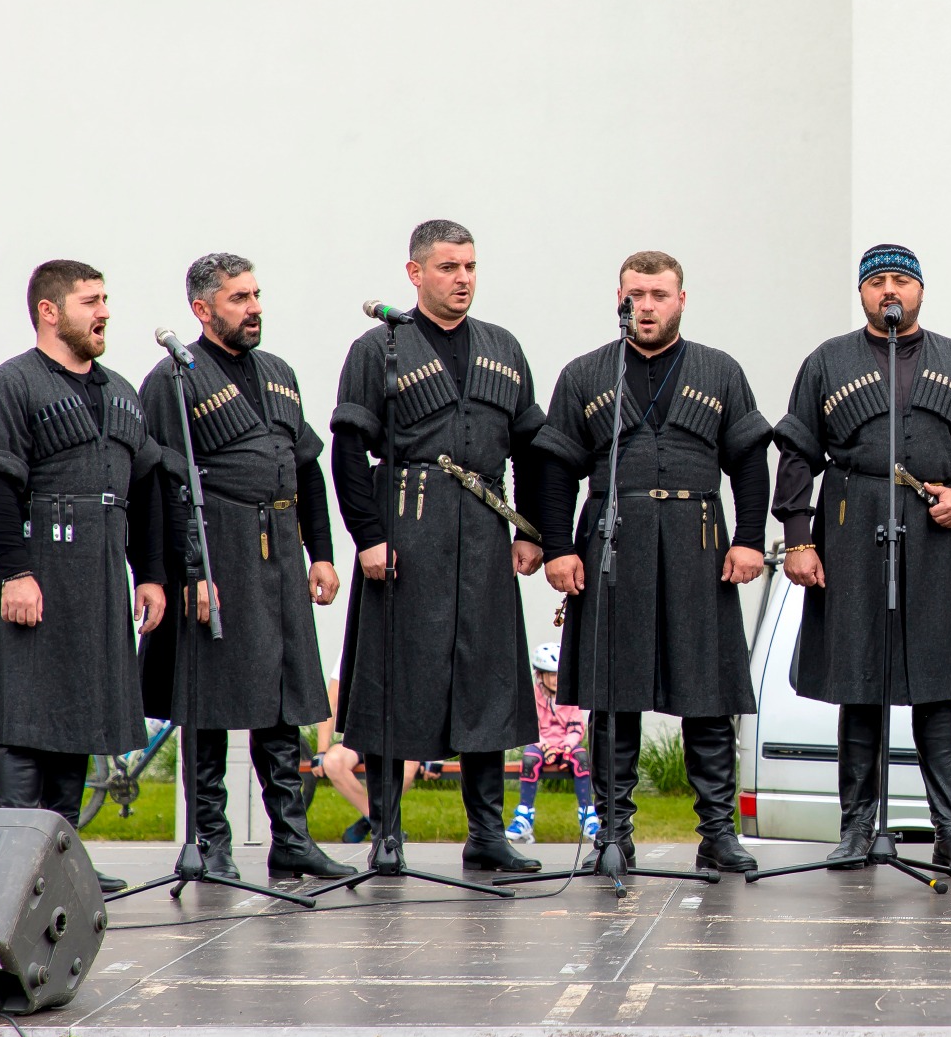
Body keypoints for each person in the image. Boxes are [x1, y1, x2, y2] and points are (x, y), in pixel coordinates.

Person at [774, 244, 951, 873]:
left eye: (901, 281)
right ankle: (857, 829)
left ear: (920, 291)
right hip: (851, 529)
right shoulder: (826, 361)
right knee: (860, 684)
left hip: (939, 532)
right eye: (877, 281)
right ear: (862, 293)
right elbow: (797, 453)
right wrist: (799, 538)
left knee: (937, 688)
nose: (890, 290)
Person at [539, 250, 772, 873]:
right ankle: (613, 836)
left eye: (658, 295)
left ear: (681, 300)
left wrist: (750, 538)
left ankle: (718, 834)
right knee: (614, 697)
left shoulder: (720, 371)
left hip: (700, 546)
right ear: (619, 300)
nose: (645, 306)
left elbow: (750, 461)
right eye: (635, 295)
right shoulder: (585, 374)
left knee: (708, 695)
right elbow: (555, 470)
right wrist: (559, 548)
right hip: (613, 545)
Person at [330, 219, 546, 874]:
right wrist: (369, 536)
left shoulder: (503, 347)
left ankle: (487, 834)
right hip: (406, 528)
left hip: (483, 529)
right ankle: (387, 833)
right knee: (394, 679)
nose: (462, 279)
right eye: (449, 267)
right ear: (415, 273)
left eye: (470, 266)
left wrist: (530, 530)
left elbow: (532, 448)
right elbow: (347, 451)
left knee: (487, 679)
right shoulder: (379, 348)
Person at [137, 254, 353, 881]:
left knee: (282, 702)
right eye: (238, 298)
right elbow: (162, 485)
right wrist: (189, 572)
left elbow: (306, 468)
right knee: (208, 704)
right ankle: (211, 844)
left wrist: (321, 552)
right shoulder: (173, 379)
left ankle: (292, 840)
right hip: (217, 551)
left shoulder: (279, 372)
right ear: (202, 309)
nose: (254, 307)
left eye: (256, 294)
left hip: (279, 551)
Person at [0, 260, 168, 894]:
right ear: (49, 311)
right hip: (37, 565)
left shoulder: (121, 391)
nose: (104, 312)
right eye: (90, 301)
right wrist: (17, 574)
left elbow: (146, 490)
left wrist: (150, 574)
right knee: (25, 717)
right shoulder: (9, 385)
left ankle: (62, 861)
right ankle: (16, 867)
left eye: (105, 299)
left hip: (99, 573)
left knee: (81, 716)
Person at [506, 644, 598, 843]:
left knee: (582, 758)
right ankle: (524, 817)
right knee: (529, 759)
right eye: (552, 675)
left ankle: (588, 816)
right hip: (542, 745)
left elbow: (576, 727)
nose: (557, 680)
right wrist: (546, 746)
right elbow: (531, 728)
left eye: (560, 675)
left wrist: (566, 747)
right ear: (540, 675)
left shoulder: (570, 696)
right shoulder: (532, 697)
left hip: (566, 746)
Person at [313, 679, 422, 844]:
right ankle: (380, 823)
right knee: (332, 762)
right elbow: (331, 703)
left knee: (409, 765)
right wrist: (321, 751)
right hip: (358, 736)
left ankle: (372, 821)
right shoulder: (345, 660)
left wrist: (430, 754)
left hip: (400, 738)